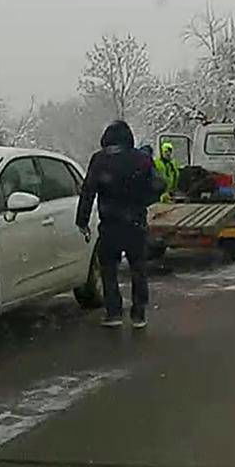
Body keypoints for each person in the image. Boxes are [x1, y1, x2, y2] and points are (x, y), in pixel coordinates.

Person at [75, 120, 165, 329]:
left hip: (110, 223)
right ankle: (139, 313)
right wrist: (144, 200)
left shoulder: (99, 160)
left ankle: (113, 311)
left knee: (108, 269)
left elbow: (88, 191)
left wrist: (82, 220)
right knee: (138, 268)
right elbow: (158, 185)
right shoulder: (141, 159)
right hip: (135, 222)